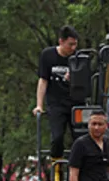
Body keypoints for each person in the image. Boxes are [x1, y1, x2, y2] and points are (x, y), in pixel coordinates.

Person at [33, 26, 81, 162]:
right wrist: (39, 105)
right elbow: (43, 80)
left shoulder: (78, 57)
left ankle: (79, 166)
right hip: (56, 103)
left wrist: (75, 78)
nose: (73, 48)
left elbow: (86, 81)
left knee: (80, 138)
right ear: (61, 41)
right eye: (70, 44)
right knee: (57, 137)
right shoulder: (47, 55)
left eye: (75, 44)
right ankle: (56, 167)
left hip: (76, 102)